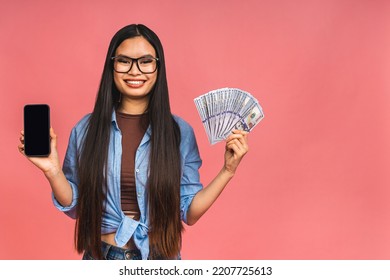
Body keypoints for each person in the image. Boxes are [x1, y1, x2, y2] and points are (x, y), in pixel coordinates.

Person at [18, 24, 249, 260]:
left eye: (145, 61)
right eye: (124, 61)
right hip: (102, 257)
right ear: (112, 66)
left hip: (161, 258)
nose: (135, 70)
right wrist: (53, 171)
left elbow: (189, 212)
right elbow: (76, 207)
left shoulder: (179, 132)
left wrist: (228, 170)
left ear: (158, 67)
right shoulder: (87, 129)